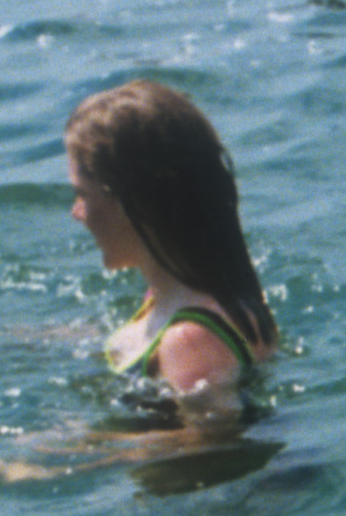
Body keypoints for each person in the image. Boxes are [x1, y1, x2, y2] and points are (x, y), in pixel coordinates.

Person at [65, 80, 277, 396]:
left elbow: (211, 429)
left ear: (134, 205)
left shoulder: (189, 342)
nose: (77, 212)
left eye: (82, 194)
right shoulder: (177, 296)